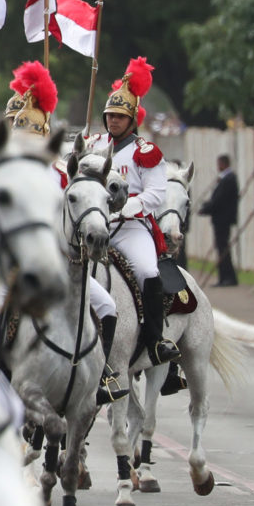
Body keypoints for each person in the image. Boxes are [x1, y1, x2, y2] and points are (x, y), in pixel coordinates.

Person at [5, 62, 126, 406]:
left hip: (59, 262)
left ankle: (102, 374)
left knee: (107, 305)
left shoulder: (62, 175)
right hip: (17, 262)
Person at [85, 57, 181, 366]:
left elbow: (156, 194)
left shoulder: (145, 151)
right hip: (95, 224)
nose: (113, 121)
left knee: (147, 271)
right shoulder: (94, 145)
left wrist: (127, 208)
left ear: (131, 120)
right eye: (109, 115)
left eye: (119, 116)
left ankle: (154, 342)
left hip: (131, 227)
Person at [200, 153, 240, 287]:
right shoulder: (225, 178)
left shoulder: (229, 179)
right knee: (221, 248)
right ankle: (225, 277)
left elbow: (219, 201)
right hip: (220, 220)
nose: (218, 167)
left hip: (223, 220)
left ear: (223, 164)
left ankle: (227, 278)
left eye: (219, 164)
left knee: (223, 249)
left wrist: (206, 208)